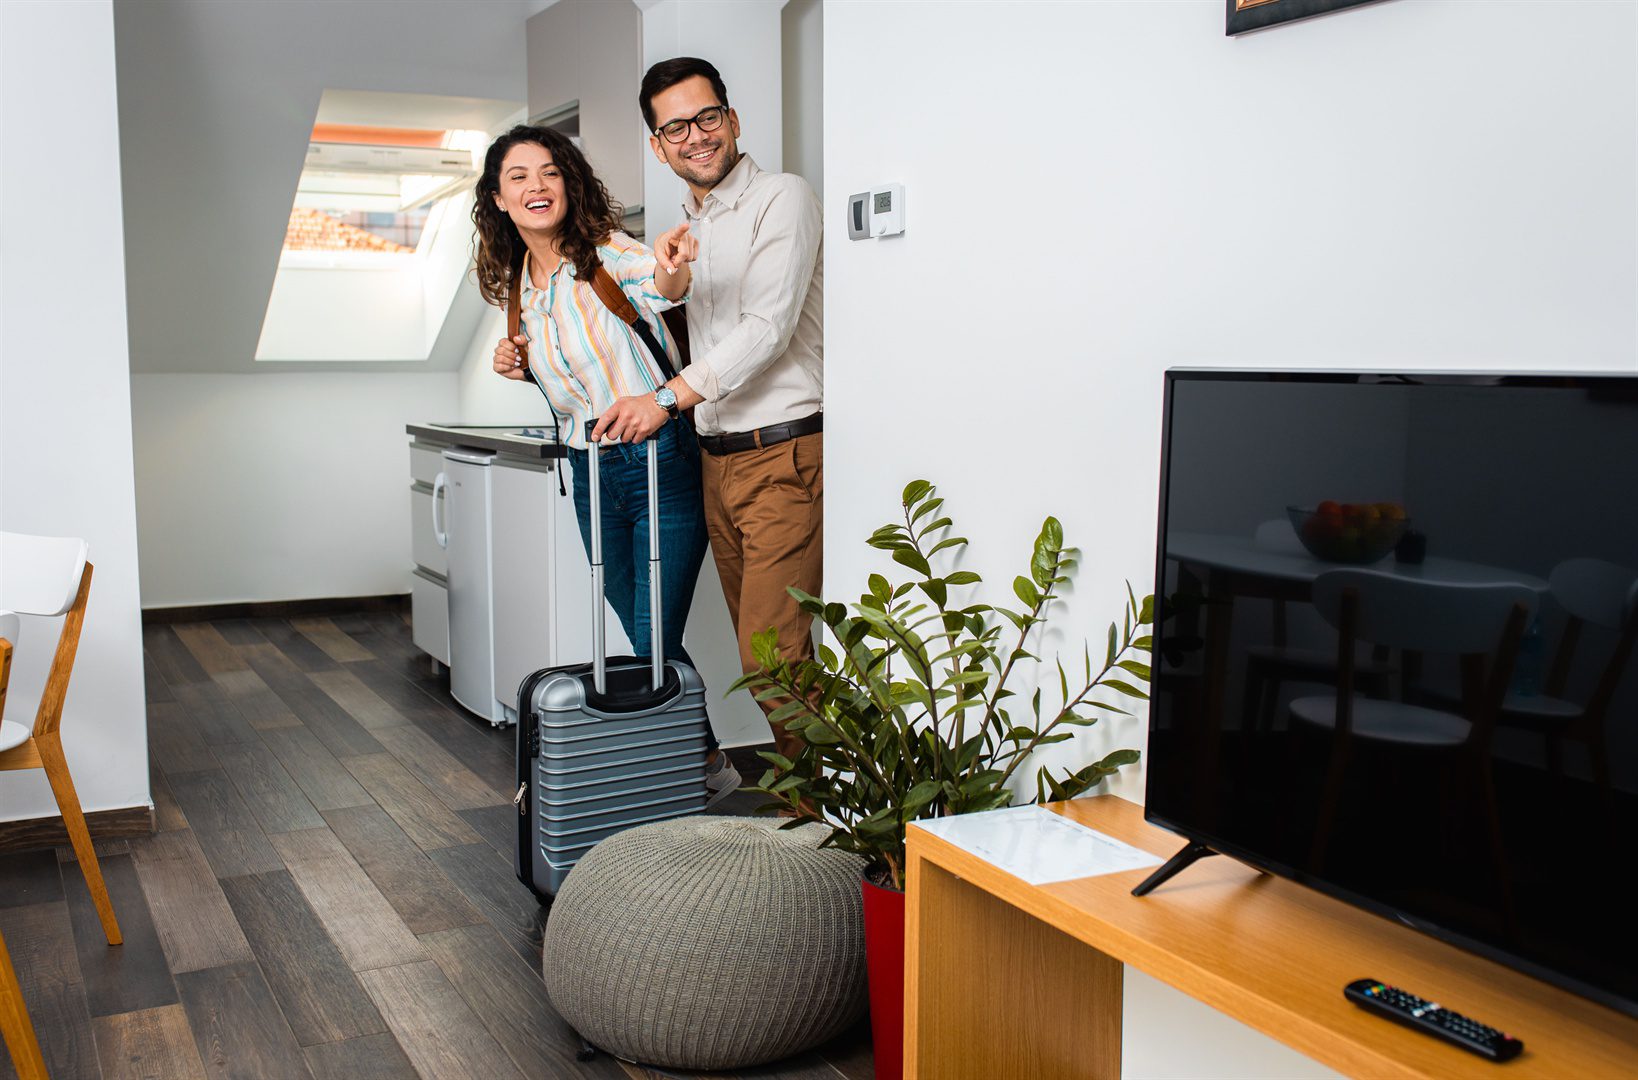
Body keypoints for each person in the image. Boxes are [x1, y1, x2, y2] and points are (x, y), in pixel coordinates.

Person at [477, 123, 741, 804]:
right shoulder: (517, 287)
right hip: (588, 467)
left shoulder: (604, 253)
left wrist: (673, 262)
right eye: (518, 177)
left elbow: (658, 285)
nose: (537, 186)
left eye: (549, 172)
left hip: (659, 457)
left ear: (569, 183)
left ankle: (691, 764)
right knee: (631, 620)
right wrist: (513, 360)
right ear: (499, 200)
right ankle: (699, 759)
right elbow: (564, 371)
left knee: (654, 633)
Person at [593, 59, 824, 769]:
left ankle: (838, 820)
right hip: (717, 461)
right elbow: (671, 330)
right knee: (768, 656)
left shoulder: (781, 198)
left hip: (781, 452)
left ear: (733, 121)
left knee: (772, 653)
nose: (696, 136)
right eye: (675, 128)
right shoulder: (686, 230)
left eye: (707, 117)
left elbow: (766, 330)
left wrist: (663, 402)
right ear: (658, 146)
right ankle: (813, 813)